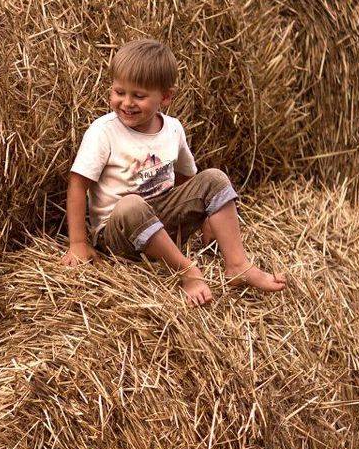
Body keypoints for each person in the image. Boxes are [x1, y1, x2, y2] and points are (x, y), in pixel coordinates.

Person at [60, 38, 287, 306]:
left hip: (164, 223)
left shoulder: (173, 129)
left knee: (214, 177)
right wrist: (77, 243)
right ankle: (186, 270)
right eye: (119, 92)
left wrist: (205, 217)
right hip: (118, 233)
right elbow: (78, 185)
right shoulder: (103, 132)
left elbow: (186, 180)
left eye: (139, 96)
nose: (127, 102)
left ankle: (237, 265)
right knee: (131, 205)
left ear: (165, 97)